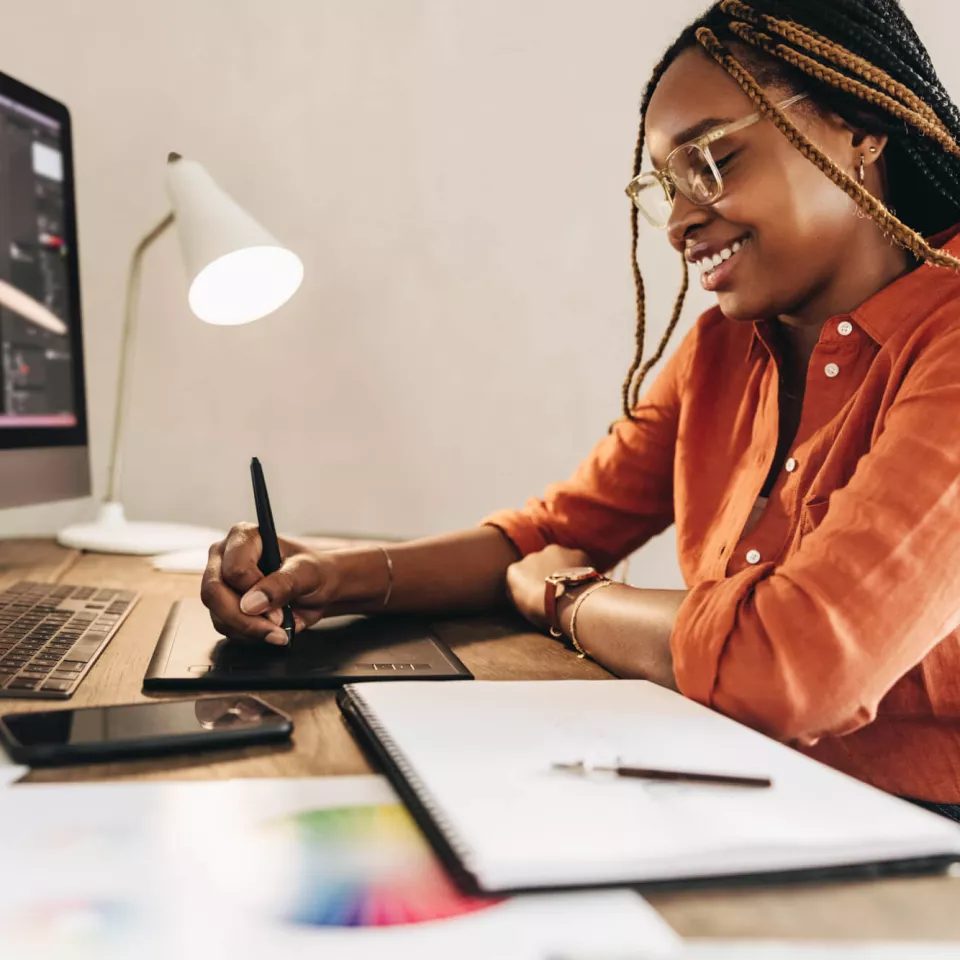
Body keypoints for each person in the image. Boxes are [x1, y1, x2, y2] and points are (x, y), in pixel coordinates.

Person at [202, 0, 960, 821]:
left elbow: (793, 664)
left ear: (861, 125)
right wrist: (334, 574)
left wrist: (568, 599)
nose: (678, 222)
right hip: (724, 785)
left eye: (713, 159)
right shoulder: (721, 353)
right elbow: (547, 533)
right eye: (665, 186)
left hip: (918, 850)